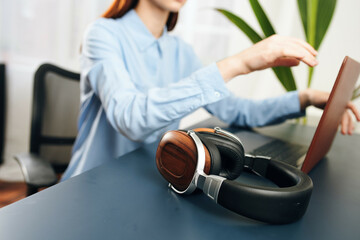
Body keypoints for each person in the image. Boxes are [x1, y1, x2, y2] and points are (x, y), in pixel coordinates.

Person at [61, 0, 360, 181]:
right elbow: (132, 119)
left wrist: (305, 98)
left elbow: (239, 111)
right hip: (91, 183)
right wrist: (239, 63)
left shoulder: (180, 51)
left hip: (152, 177)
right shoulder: (102, 35)